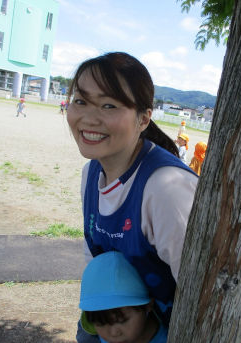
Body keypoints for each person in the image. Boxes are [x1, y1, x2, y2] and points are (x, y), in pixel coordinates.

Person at [65, 52, 198, 342]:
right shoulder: (91, 174)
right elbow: (96, 262)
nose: (89, 117)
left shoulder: (166, 188)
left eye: (109, 105)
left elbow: (202, 292)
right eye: (80, 101)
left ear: (143, 119)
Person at [79, 251, 167, 343]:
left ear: (148, 306)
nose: (114, 333)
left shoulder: (171, 337)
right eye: (101, 323)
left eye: (123, 321)